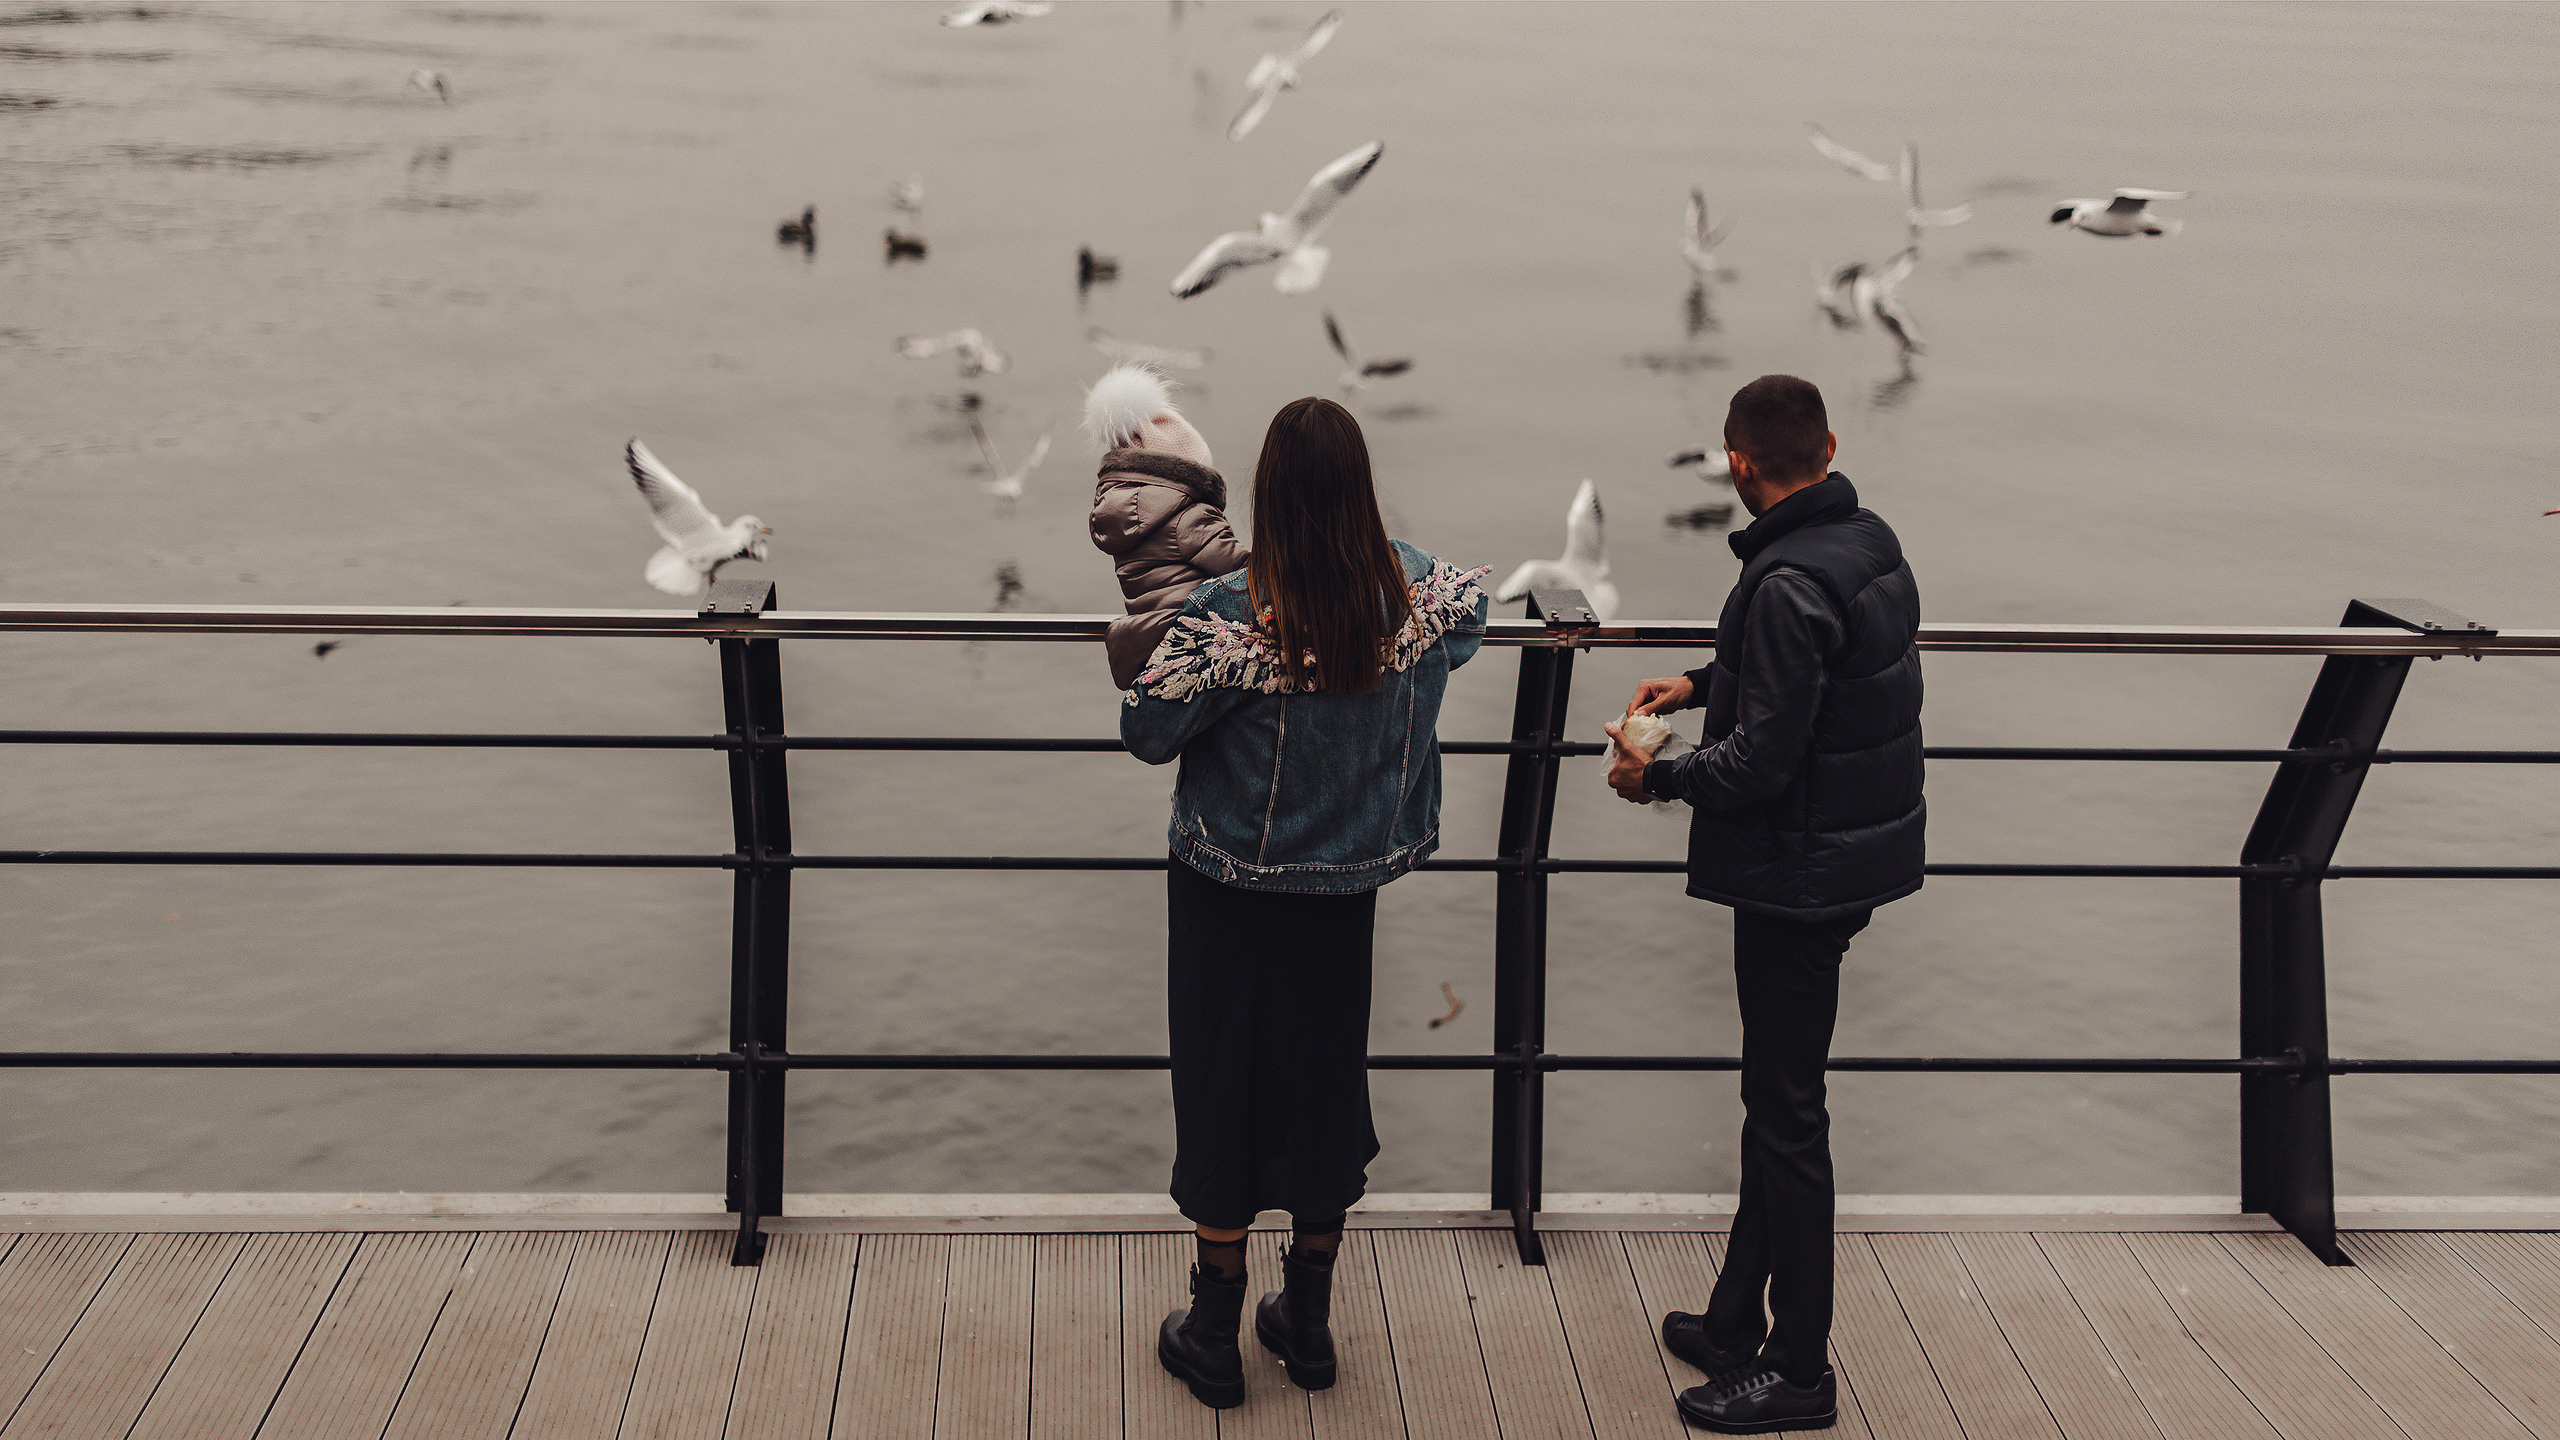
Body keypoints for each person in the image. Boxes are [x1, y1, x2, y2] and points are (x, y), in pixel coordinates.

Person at [1120, 396, 1489, 1411]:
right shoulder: (1409, 592)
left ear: (1267, 495)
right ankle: (1310, 1324)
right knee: (1325, 1088)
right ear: (1359, 488)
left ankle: (1212, 1333)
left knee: (1220, 1086)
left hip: (1228, 888)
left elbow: (1147, 732)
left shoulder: (1231, 616)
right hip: (1345, 888)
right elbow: (1470, 620)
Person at [1602, 374, 1924, 1435]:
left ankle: (1798, 1371)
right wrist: (1698, 684)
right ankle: (1738, 1319)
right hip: (1850, 858)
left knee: (1787, 1120)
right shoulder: (1866, 544)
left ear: (1738, 464)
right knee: (1774, 1099)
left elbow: (1761, 765)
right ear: (1826, 445)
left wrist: (1658, 777)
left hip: (1797, 875)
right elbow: (1811, 684)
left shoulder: (1784, 582)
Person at [1086, 364, 1251, 690]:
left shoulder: (1123, 512)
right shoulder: (1191, 517)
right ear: (1188, 474)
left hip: (1154, 649)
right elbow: (1246, 572)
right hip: (1197, 646)